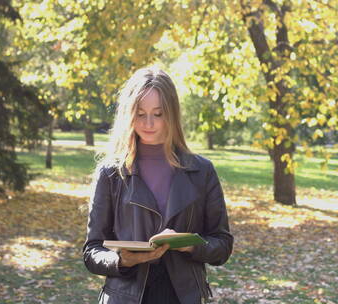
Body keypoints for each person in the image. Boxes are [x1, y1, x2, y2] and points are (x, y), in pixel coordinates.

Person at [83, 67, 233, 304]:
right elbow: (92, 251)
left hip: (182, 297)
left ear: (171, 114)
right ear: (128, 114)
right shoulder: (111, 173)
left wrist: (190, 246)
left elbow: (222, 245)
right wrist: (122, 260)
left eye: (158, 113)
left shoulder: (202, 171)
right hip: (125, 296)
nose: (148, 123)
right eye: (140, 113)